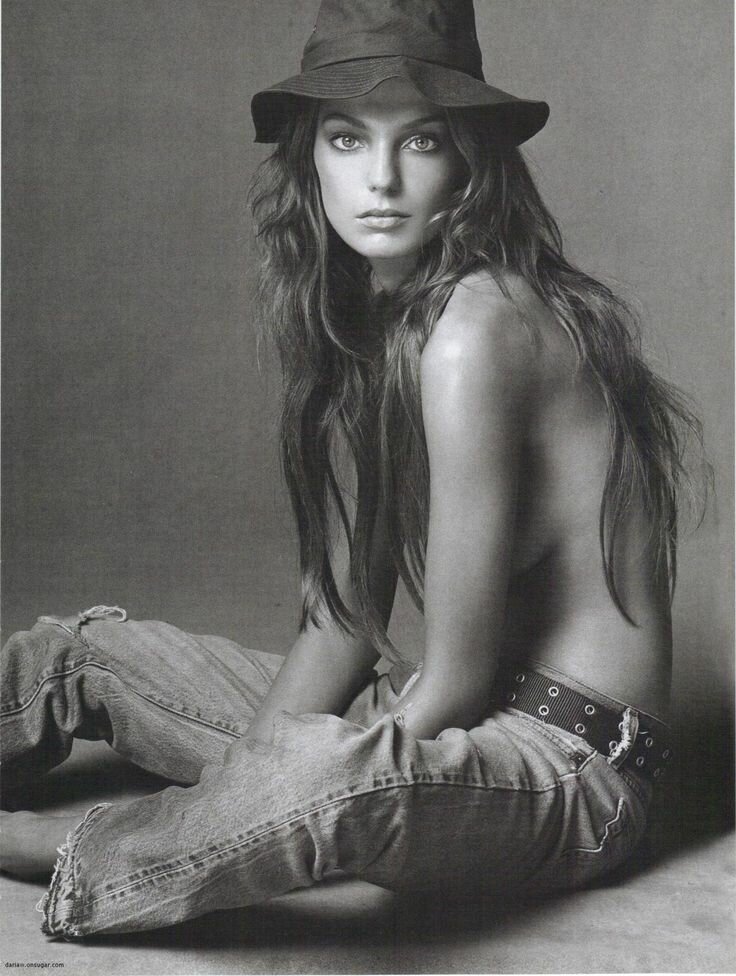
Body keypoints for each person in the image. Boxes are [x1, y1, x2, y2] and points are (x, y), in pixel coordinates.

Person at [1, 0, 700, 938]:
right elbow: (344, 621)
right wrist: (243, 782)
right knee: (80, 654)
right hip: (447, 719)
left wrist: (263, 791)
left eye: (421, 141)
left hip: (567, 769)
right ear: (310, 158)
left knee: (317, 773)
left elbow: (455, 679)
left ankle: (58, 847)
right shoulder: (392, 323)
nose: (380, 178)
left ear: (470, 161)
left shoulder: (478, 329)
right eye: (346, 139)